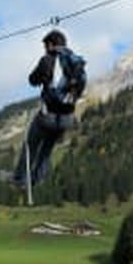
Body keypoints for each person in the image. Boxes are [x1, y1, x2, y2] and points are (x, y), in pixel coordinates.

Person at [12, 29, 86, 191]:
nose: (45, 48)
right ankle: (36, 180)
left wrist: (43, 77)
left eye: (45, 45)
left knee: (31, 146)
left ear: (51, 44)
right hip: (66, 118)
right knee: (46, 149)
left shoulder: (47, 59)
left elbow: (32, 80)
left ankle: (19, 179)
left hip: (48, 115)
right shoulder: (75, 62)